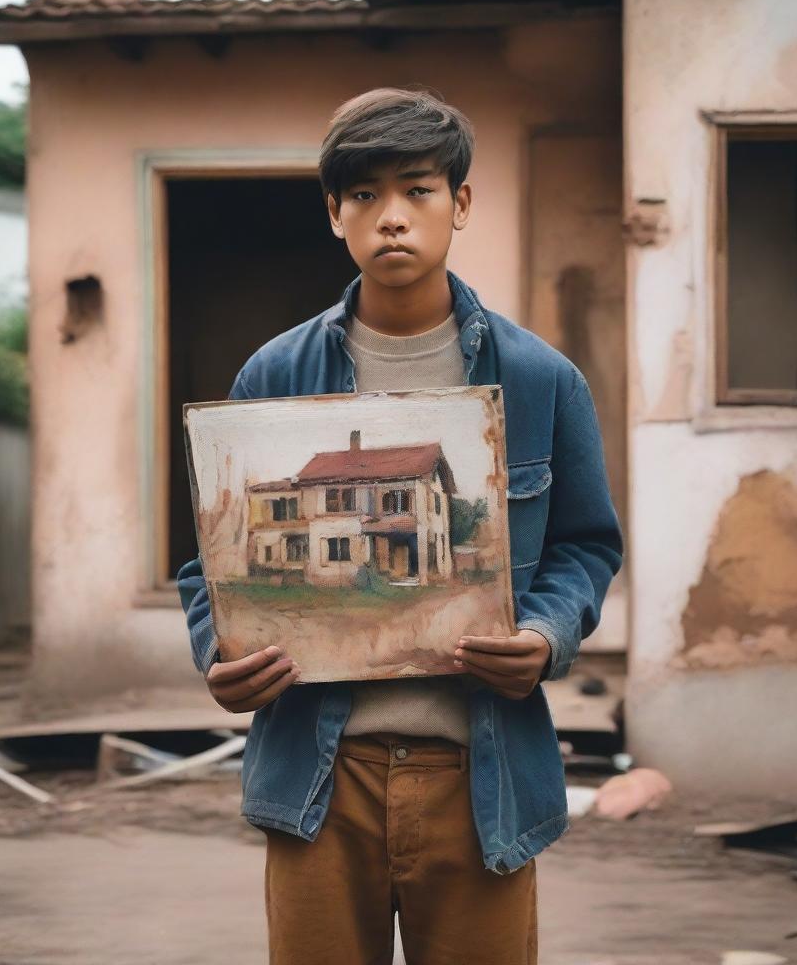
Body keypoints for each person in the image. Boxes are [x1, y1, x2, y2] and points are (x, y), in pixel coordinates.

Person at [177, 87, 623, 965]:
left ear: (459, 204)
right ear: (334, 213)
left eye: (417, 190)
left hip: (479, 778)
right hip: (319, 776)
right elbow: (211, 557)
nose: (392, 218)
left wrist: (546, 633)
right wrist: (219, 654)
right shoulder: (274, 374)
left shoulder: (541, 380)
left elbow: (585, 545)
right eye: (365, 195)